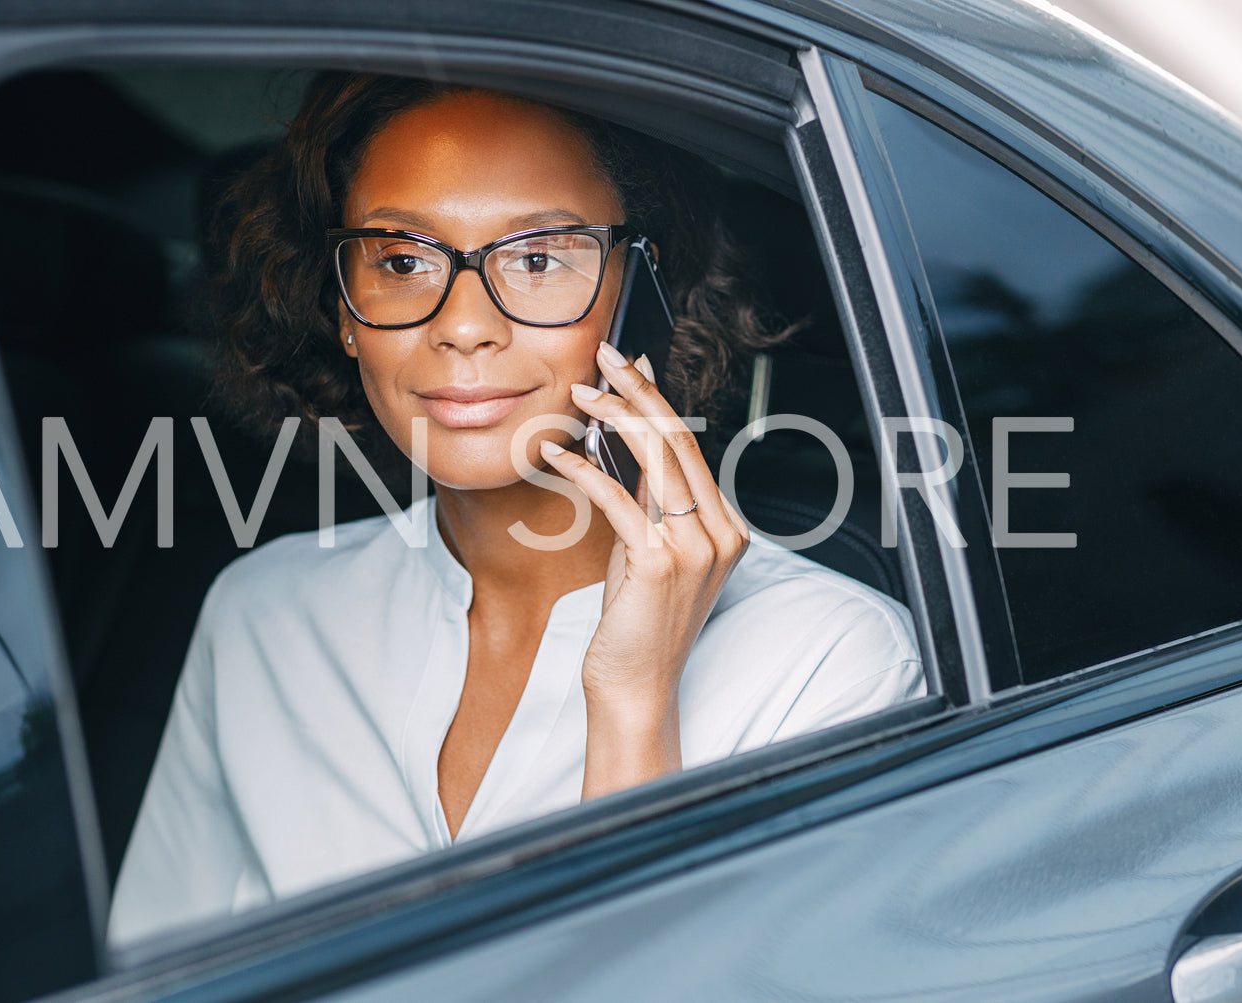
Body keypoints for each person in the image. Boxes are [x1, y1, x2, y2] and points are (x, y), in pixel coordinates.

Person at [107, 72, 924, 947]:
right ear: (343, 312)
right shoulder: (262, 613)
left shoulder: (829, 661)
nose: (462, 324)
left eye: (536, 259)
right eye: (401, 259)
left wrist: (633, 710)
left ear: (641, 296)